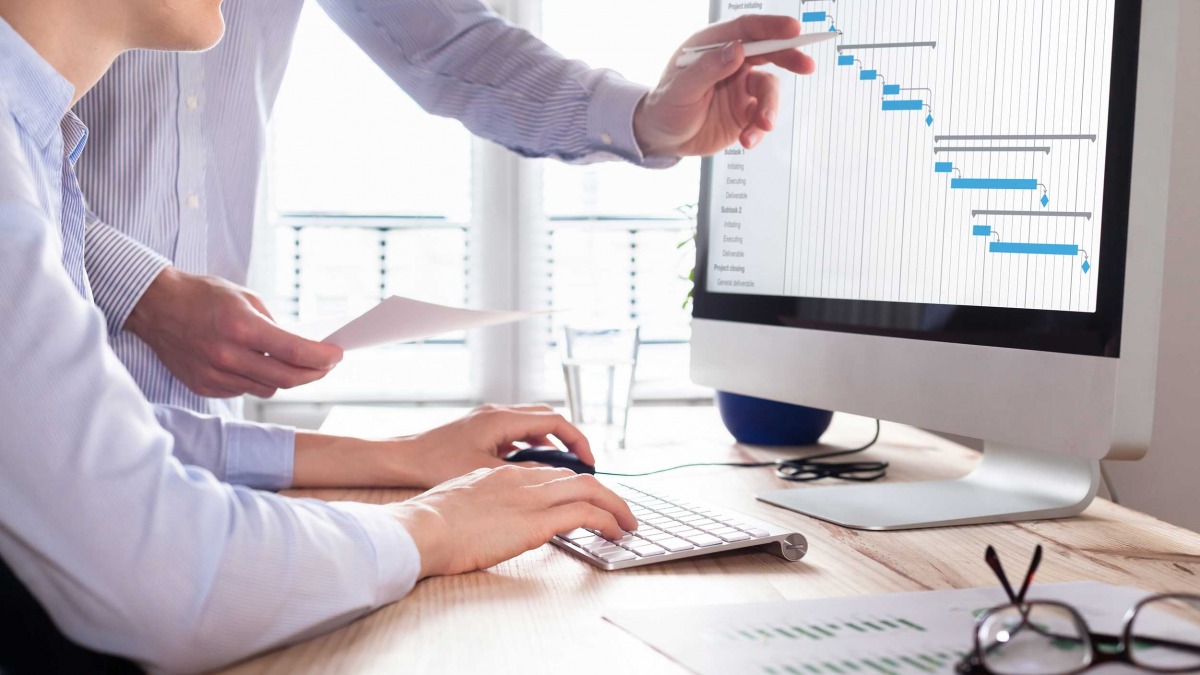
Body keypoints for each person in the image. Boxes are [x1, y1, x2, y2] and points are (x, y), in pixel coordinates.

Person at [0, 2, 815, 673]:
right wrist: (433, 527)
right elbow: (168, 572)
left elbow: (120, 449)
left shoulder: (38, 143)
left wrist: (399, 460)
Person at [76, 0, 816, 418]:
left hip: (200, 429)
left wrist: (649, 117)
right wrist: (140, 291)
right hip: (38, 401)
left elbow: (449, 47)